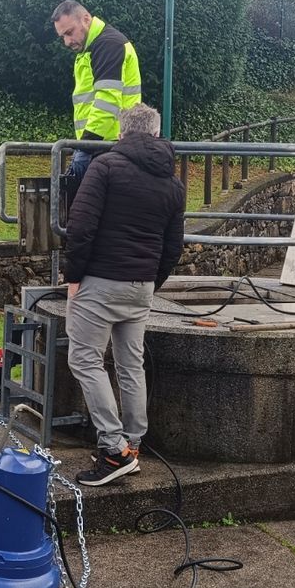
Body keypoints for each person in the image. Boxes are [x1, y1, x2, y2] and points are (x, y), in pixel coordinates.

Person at [64, 104, 185, 487]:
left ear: (121, 132)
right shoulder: (173, 181)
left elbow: (80, 226)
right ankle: (133, 444)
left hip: (101, 281)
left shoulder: (105, 167)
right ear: (155, 133)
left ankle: (114, 449)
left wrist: (73, 276)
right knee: (130, 364)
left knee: (84, 359)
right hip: (142, 285)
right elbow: (173, 246)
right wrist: (151, 280)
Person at [51, 0, 141, 192]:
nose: (66, 42)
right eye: (62, 37)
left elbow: (108, 100)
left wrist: (85, 146)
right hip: (105, 144)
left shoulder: (107, 45)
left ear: (85, 19)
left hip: (108, 145)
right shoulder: (93, 47)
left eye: (69, 32)